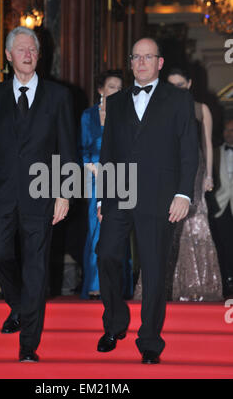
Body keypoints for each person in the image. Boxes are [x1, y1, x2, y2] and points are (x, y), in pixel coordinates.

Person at [0, 26, 76, 363]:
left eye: (32, 49)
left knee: (36, 267)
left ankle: (28, 345)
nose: (27, 54)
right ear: (8, 56)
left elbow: (67, 148)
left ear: (39, 54)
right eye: (20, 49)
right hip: (0, 193)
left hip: (43, 193)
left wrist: (65, 193)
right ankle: (18, 305)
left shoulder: (59, 96)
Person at [96, 38, 198, 365]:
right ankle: (114, 321)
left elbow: (188, 150)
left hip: (160, 196)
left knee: (153, 269)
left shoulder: (179, 100)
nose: (141, 63)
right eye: (136, 57)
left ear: (160, 62)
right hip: (119, 194)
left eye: (148, 57)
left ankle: (150, 340)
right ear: (131, 62)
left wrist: (183, 193)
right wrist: (103, 197)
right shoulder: (117, 102)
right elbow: (108, 153)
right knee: (106, 254)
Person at [166, 68, 222, 301]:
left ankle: (200, 285)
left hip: (195, 170)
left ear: (189, 84)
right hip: (169, 170)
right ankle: (172, 284)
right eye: (171, 85)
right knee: (171, 226)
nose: (176, 89)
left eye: (180, 85)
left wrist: (209, 175)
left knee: (197, 221)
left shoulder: (201, 108)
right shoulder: (163, 108)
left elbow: (207, 144)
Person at [79, 70, 132, 300]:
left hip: (120, 178)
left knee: (119, 231)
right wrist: (91, 167)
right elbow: (79, 147)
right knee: (95, 231)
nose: (115, 91)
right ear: (101, 89)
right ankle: (94, 284)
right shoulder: (87, 116)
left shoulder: (126, 116)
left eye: (119, 88)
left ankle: (119, 286)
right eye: (111, 87)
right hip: (93, 179)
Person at [209, 119, 233, 299]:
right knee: (222, 246)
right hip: (220, 206)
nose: (229, 133)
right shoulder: (214, 152)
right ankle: (225, 283)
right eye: (226, 130)